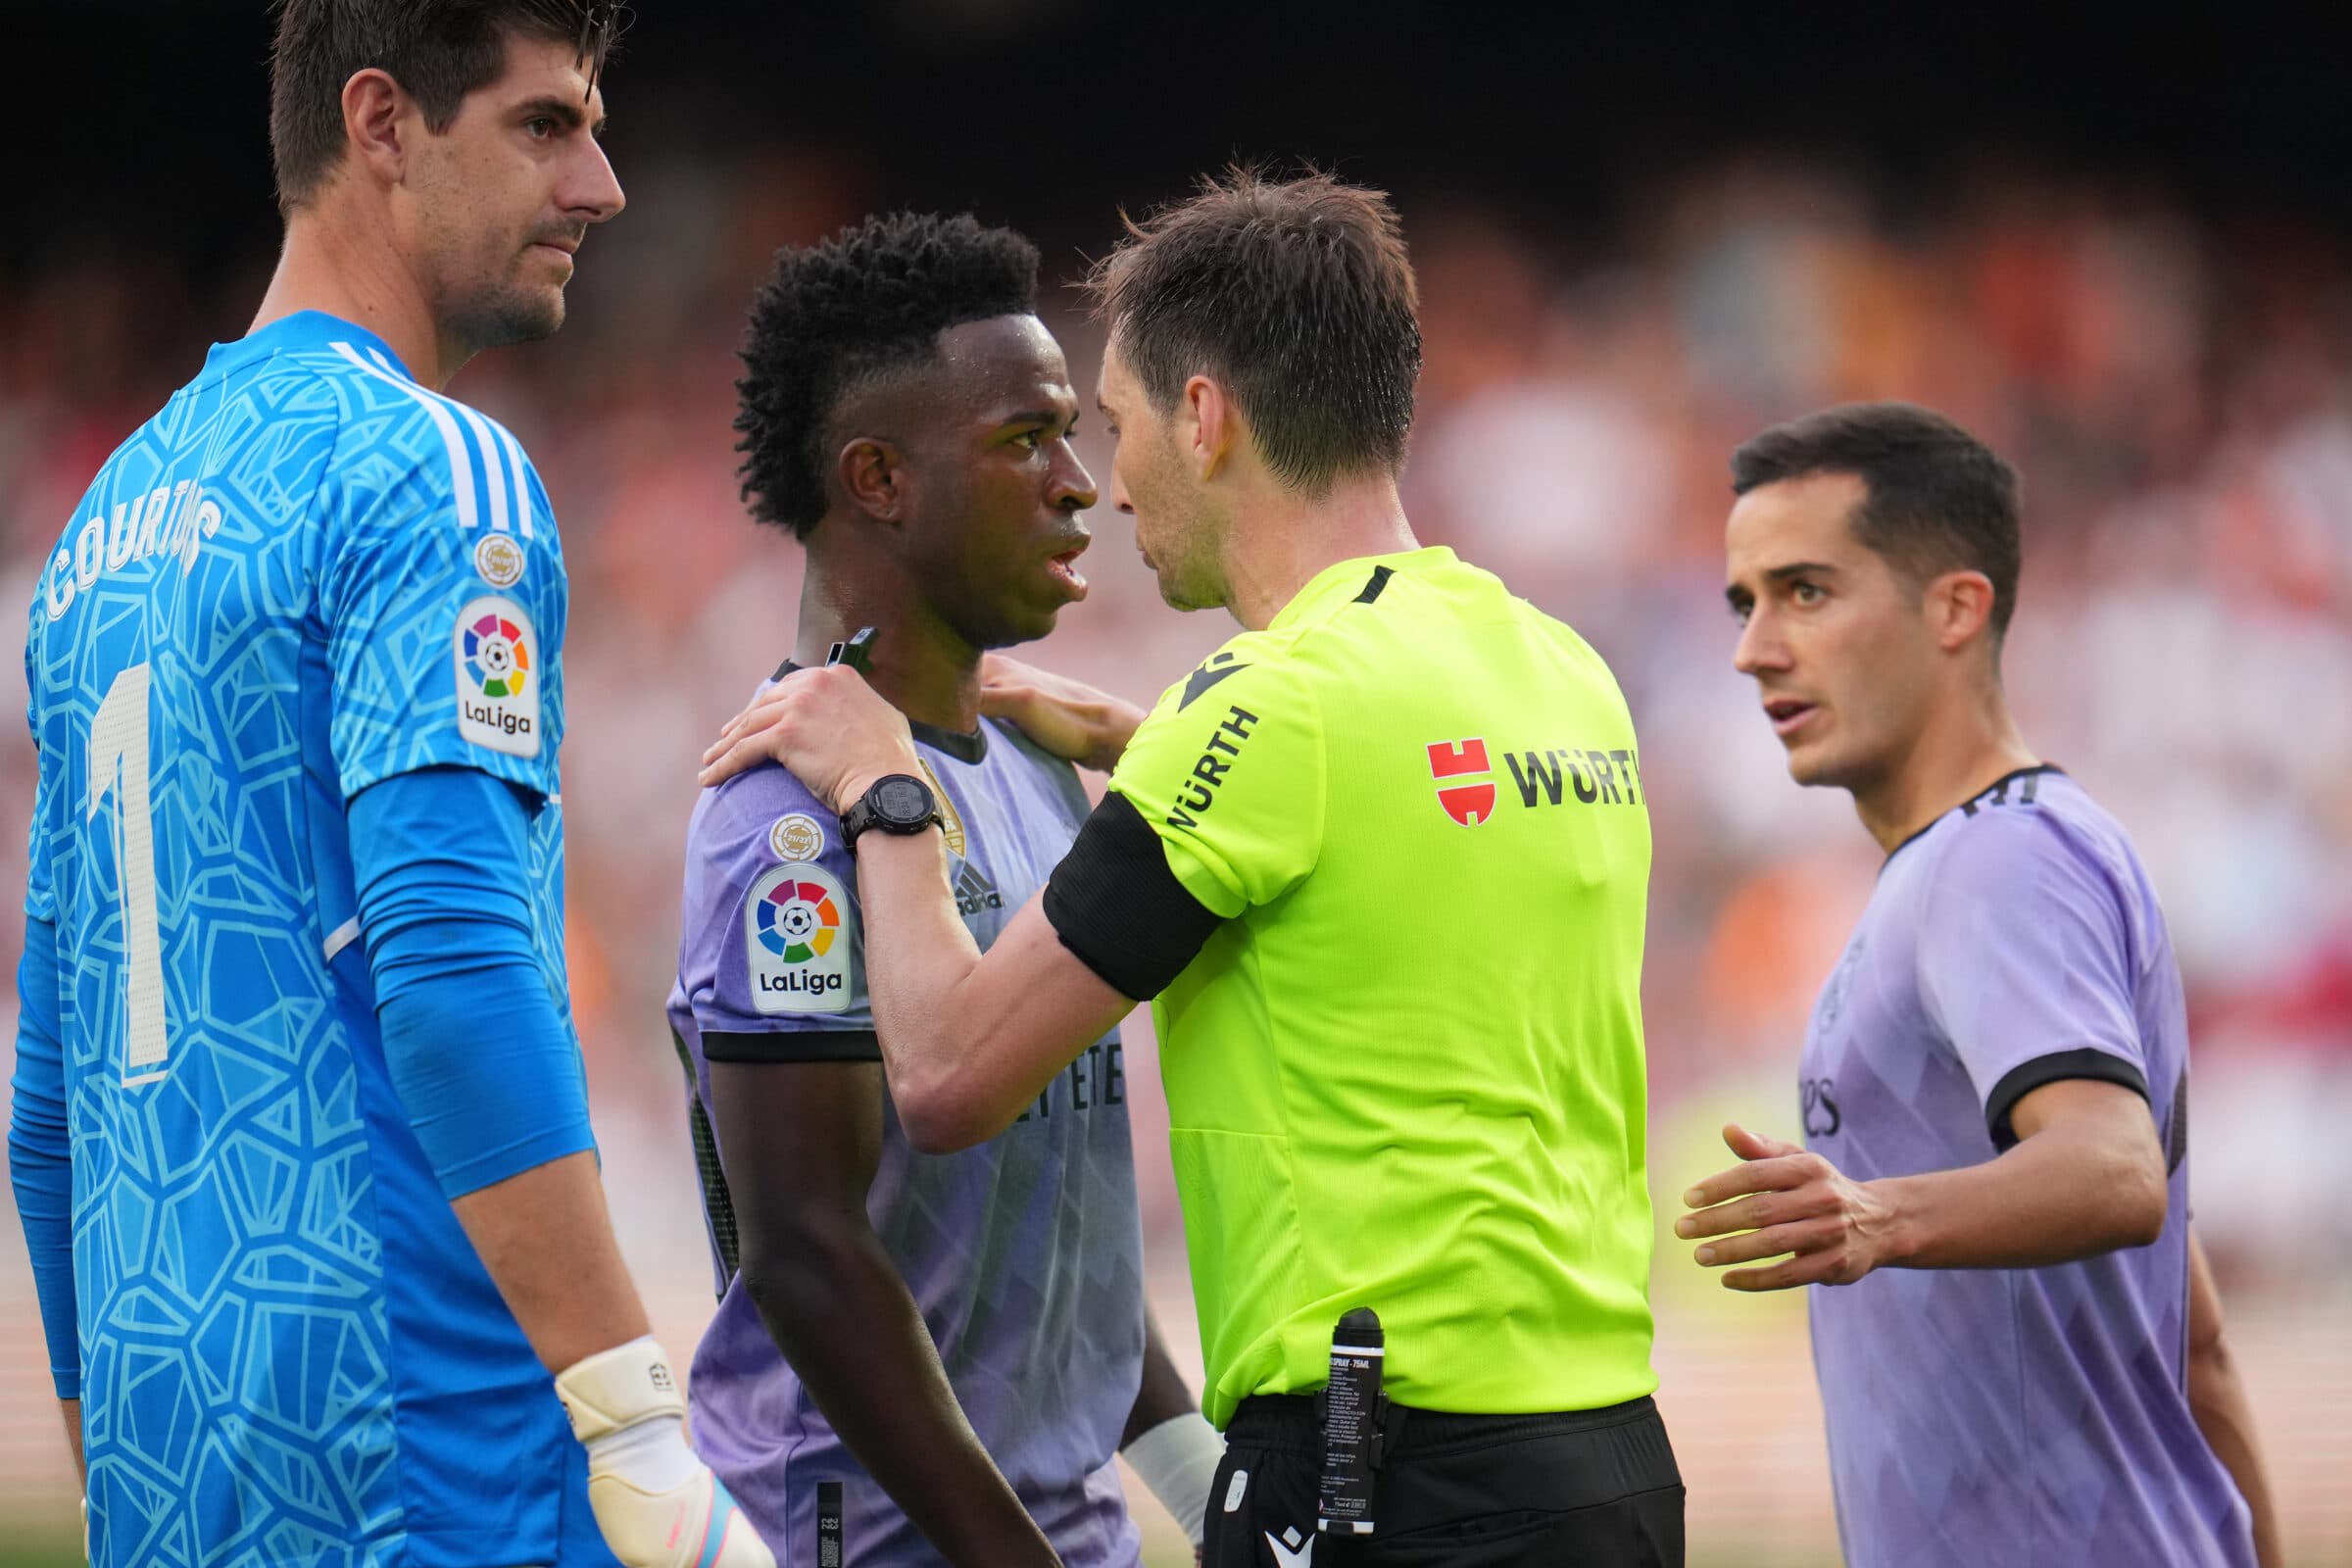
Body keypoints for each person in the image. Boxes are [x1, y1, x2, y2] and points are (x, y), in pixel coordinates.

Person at [700, 171, 1686, 1567]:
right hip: (1610, 1465)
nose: (1108, 481)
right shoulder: (1554, 667)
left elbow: (949, 1079)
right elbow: (1377, 844)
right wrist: (1130, 734)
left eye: (1115, 422)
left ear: (1208, 415)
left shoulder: (1269, 701)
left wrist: (886, 788)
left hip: (1390, 1472)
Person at [5, 5, 768, 1565]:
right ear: (381, 124)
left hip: (175, 1452)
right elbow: (452, 968)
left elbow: (47, 1101)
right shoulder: (432, 467)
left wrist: (119, 1459)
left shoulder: (104, 525)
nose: (604, 185)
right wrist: (630, 1414)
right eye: (546, 125)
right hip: (427, 1428)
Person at [669, 211, 1221, 1566]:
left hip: (1059, 1526)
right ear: (878, 478)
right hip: (872, 1537)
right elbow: (805, 1251)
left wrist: (1211, 1499)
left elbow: (1061, 1231)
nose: (1082, 485)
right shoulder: (785, 815)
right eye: (1027, 439)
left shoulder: (1033, 763)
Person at [1687, 403, 2280, 1568]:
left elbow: (2113, 1169)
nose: (1755, 647)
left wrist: (1877, 1213)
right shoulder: (2005, 852)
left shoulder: (1996, 858)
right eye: (1743, 601)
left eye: (1805, 591)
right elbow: (2191, 1335)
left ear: (1956, 607)